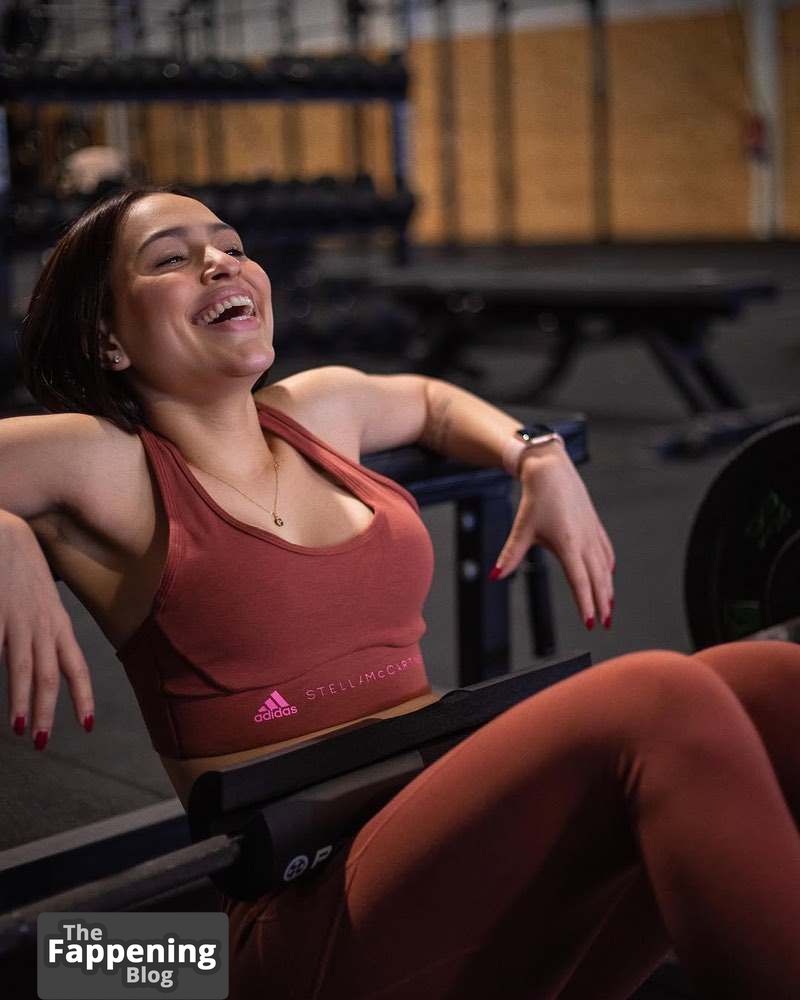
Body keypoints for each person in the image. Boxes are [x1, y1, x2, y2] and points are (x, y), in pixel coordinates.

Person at [2, 187, 800, 1000]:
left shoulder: (317, 410)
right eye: (171, 258)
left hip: (433, 832)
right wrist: (8, 535)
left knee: (770, 682)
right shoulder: (105, 461)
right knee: (658, 698)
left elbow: (430, 400)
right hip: (309, 906)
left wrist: (537, 452)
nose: (220, 263)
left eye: (232, 246)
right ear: (108, 339)